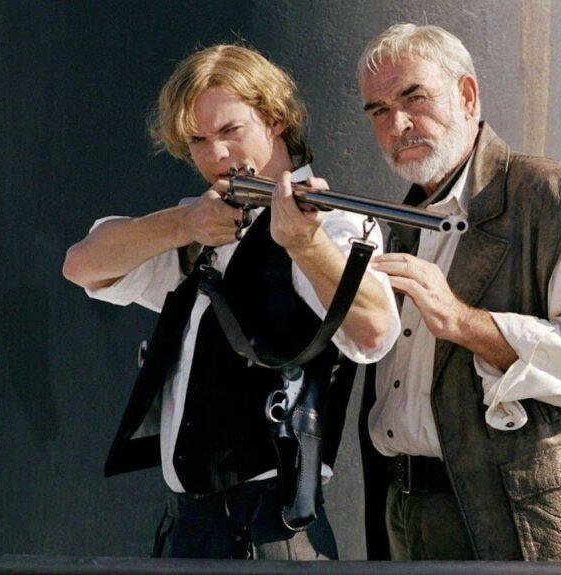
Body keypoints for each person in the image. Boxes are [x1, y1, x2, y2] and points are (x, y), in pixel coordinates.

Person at [62, 44, 398, 560]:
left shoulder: (333, 227)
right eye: (197, 140)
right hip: (189, 527)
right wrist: (183, 224)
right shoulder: (201, 223)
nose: (215, 155)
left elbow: (375, 332)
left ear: (276, 119)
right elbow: (81, 265)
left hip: (271, 530)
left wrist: (306, 245)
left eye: (230, 131)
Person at [356, 24, 561, 561]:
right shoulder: (401, 219)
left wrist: (462, 321)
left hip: (522, 523)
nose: (398, 124)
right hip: (406, 510)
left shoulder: (551, 198)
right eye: (379, 111)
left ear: (467, 96)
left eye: (414, 98)